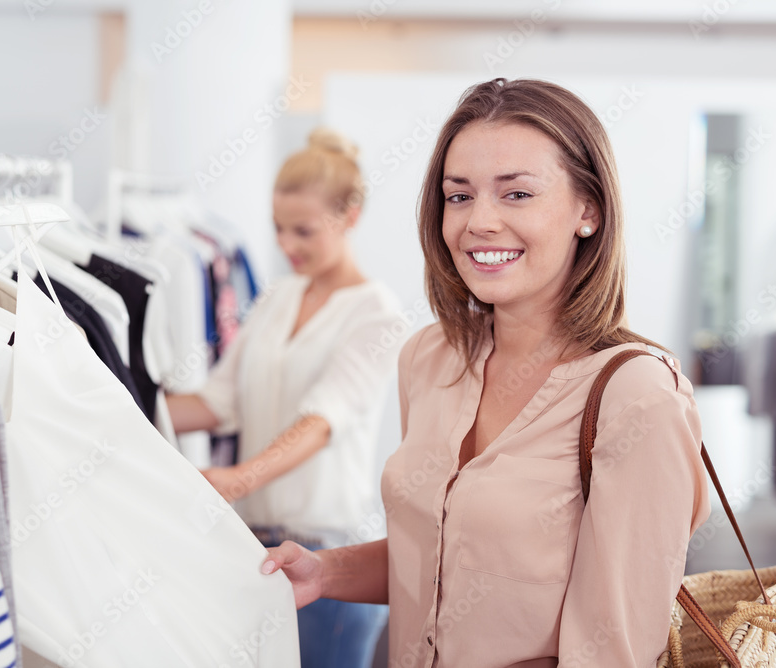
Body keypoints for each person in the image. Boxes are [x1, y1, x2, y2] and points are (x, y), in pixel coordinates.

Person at [261, 78, 711, 667]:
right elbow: (441, 554)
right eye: (459, 196)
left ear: (589, 210)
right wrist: (325, 571)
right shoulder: (428, 359)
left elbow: (615, 649)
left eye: (517, 194)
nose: (479, 222)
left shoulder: (639, 397)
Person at [167, 128, 409, 668]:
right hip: (255, 551)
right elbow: (214, 402)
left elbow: (323, 419)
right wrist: (122, 400)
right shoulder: (277, 297)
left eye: (303, 230)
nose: (287, 246)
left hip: (325, 555)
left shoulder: (378, 314)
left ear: (351, 215)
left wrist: (238, 478)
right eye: (279, 230)